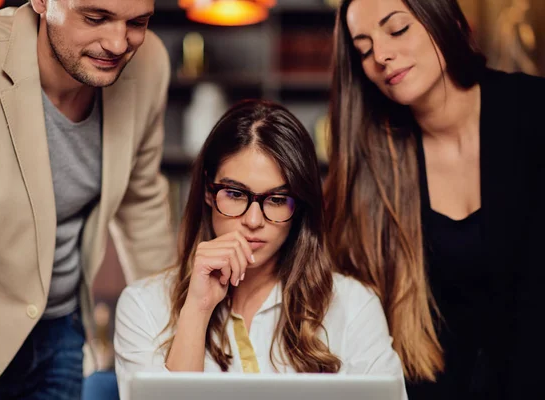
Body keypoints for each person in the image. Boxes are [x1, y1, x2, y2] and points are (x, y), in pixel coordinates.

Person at [0, 0, 176, 398]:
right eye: (96, 18)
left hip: (63, 328)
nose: (118, 43)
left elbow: (142, 207)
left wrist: (177, 342)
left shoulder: (151, 62)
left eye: (136, 22)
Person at [324, 0, 545, 399]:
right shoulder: (374, 167)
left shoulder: (532, 110)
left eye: (397, 29)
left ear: (442, 18)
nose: (381, 55)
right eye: (364, 48)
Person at [114, 100, 407, 400]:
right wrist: (197, 310)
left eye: (277, 199)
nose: (253, 221)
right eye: (235, 194)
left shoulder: (353, 306)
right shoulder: (144, 306)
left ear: (301, 206)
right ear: (207, 191)